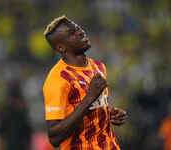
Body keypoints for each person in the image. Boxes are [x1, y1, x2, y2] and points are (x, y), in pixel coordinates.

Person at [43, 16, 127, 150]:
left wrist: (105, 115)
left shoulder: (98, 67)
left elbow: (85, 112)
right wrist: (89, 97)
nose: (80, 32)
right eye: (72, 33)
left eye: (78, 28)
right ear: (61, 47)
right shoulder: (58, 79)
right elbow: (54, 137)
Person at [0, 81, 32, 150]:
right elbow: (1, 131)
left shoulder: (22, 113)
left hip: (19, 145)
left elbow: (27, 131)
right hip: (11, 144)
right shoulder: (6, 112)